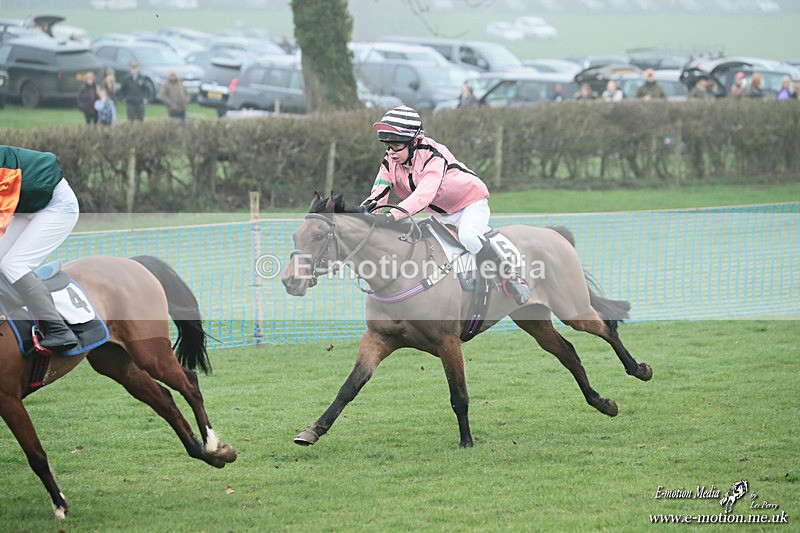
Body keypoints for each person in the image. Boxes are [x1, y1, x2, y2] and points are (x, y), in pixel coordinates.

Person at [361, 106, 530, 305]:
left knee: (469, 237)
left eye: (396, 145)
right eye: (387, 146)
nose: (391, 152)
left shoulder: (434, 155)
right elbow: (378, 193)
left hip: (470, 205)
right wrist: (360, 215)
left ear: (414, 141)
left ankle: (510, 277)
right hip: (441, 215)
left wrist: (391, 217)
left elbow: (423, 195)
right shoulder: (390, 161)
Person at [0, 146, 80, 351]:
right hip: (27, 206)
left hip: (57, 207)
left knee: (12, 264)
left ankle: (59, 330)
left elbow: (1, 219)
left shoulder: (4, 173)